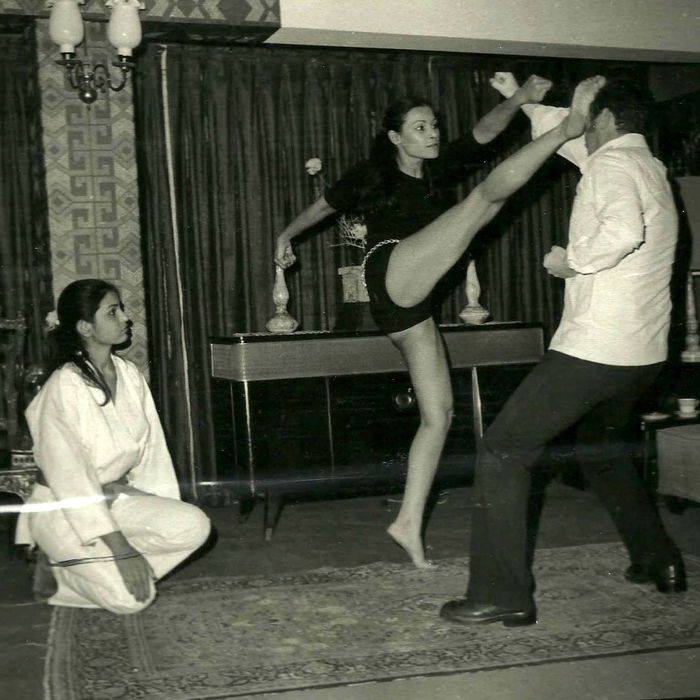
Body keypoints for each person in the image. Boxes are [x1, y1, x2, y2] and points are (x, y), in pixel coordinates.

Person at [275, 75, 596, 569]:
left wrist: (520, 98)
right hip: (388, 271)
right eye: (420, 126)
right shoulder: (373, 173)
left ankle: (406, 522)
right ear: (395, 138)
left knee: (439, 415)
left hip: (409, 307)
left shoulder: (439, 170)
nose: (432, 133)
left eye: (434, 125)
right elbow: (324, 206)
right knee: (484, 202)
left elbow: (484, 133)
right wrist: (286, 236)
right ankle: (564, 131)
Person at [440, 73, 685, 628]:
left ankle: (502, 593)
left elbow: (621, 232)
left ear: (601, 119)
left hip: (597, 347)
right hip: (643, 353)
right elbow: (570, 138)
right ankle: (659, 559)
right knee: (602, 450)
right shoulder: (647, 165)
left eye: (585, 117)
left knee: (502, 450)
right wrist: (528, 102)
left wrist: (570, 262)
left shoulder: (612, 166)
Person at [15, 279, 211, 614]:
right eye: (113, 311)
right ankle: (58, 571)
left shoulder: (129, 374)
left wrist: (155, 506)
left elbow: (152, 453)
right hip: (63, 512)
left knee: (195, 524)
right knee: (131, 600)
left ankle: (108, 566)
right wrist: (122, 550)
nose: (125, 318)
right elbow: (70, 480)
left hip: (115, 500)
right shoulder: (64, 386)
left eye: (121, 309)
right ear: (85, 327)